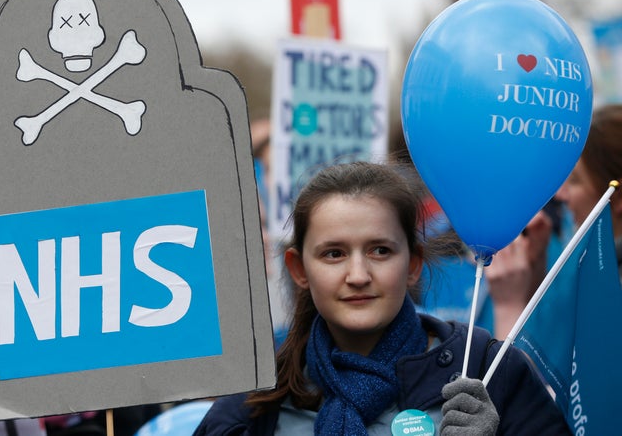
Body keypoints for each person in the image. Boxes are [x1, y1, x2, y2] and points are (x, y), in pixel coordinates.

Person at [194, 161, 570, 435]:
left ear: (413, 264)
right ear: (298, 270)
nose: (358, 276)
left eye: (379, 251)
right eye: (334, 254)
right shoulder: (253, 408)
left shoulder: (490, 373)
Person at [485, 103, 622, 339]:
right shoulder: (599, 267)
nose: (561, 195)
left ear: (618, 199)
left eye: (576, 180)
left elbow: (548, 373)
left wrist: (508, 305)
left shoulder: (610, 285)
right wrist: (536, 274)